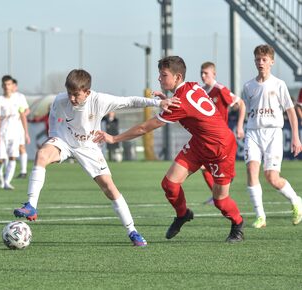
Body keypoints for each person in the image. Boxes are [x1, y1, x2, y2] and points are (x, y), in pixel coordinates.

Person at [13, 69, 180, 246]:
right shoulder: (61, 100)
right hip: (64, 141)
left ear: (87, 92)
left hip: (89, 147)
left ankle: (132, 231)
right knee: (42, 154)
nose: (71, 98)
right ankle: (31, 205)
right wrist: (53, 137)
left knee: (110, 188)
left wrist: (158, 102)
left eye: (76, 94)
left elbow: (130, 101)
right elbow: (53, 117)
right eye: (69, 93)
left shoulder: (99, 100)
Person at [94, 56, 245, 243]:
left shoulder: (179, 102)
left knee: (220, 201)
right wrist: (167, 100)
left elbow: (145, 128)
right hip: (200, 143)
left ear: (178, 77)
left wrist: (114, 138)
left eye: (163, 75)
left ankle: (238, 224)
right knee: (169, 184)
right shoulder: (192, 85)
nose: (159, 78)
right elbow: (191, 107)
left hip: (221, 148)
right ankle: (183, 214)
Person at [237, 45, 302, 228]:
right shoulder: (248, 86)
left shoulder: (279, 84)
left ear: (271, 62)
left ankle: (296, 200)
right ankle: (260, 216)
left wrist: (296, 137)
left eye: (264, 59)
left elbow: (290, 112)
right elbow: (248, 109)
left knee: (272, 177)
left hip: (273, 133)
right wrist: (242, 126)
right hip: (253, 133)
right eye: (258, 59)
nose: (260, 63)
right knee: (251, 171)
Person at [199, 62, 245, 205]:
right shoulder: (201, 91)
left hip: (220, 137)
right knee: (205, 167)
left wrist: (239, 126)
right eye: (201, 72)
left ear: (214, 74)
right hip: (206, 137)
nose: (203, 75)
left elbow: (241, 103)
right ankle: (217, 195)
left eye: (206, 73)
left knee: (217, 168)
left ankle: (219, 195)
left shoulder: (220, 89)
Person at [0, 75, 27, 190]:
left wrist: (26, 133)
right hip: (3, 133)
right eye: (5, 84)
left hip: (16, 133)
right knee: (1, 159)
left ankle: (7, 181)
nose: (7, 87)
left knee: (13, 157)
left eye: (9, 84)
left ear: (12, 85)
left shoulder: (18, 99)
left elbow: (23, 115)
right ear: (2, 86)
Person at [12, 78, 30, 179]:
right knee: (8, 150)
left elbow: (27, 110)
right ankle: (8, 171)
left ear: (16, 86)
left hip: (18, 127)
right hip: (7, 127)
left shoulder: (20, 97)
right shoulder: (3, 98)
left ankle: (23, 171)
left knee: (21, 147)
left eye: (13, 85)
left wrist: (21, 115)